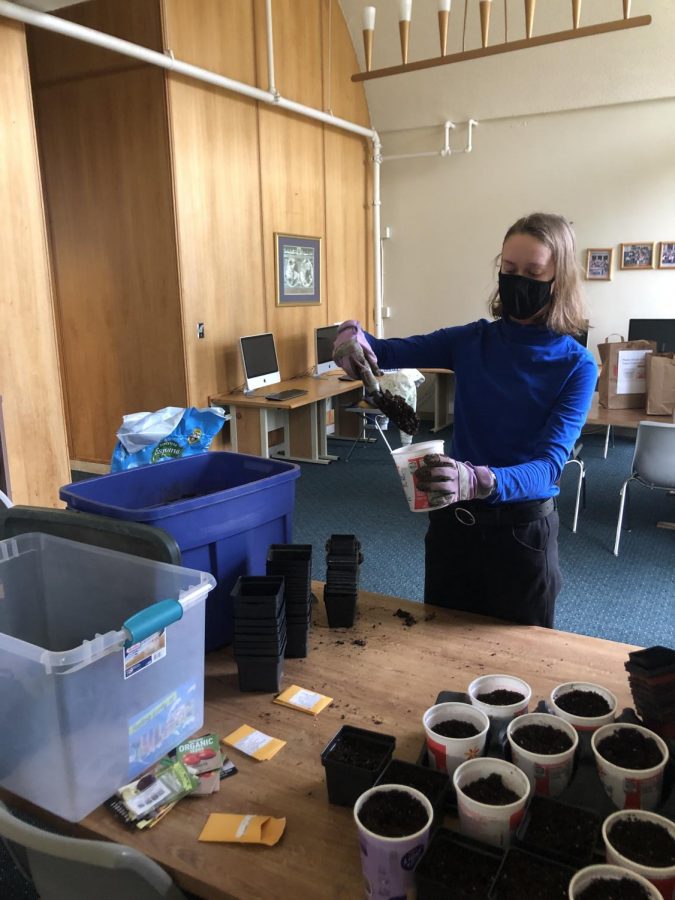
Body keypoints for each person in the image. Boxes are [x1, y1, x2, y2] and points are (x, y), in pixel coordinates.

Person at [333, 212, 598, 628]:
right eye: (509, 270)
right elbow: (382, 350)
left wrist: (480, 479)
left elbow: (549, 467)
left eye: (533, 273)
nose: (517, 282)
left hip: (520, 536)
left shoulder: (577, 366)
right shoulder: (471, 341)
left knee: (518, 664)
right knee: (440, 648)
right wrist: (351, 334)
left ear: (558, 281)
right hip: (454, 525)